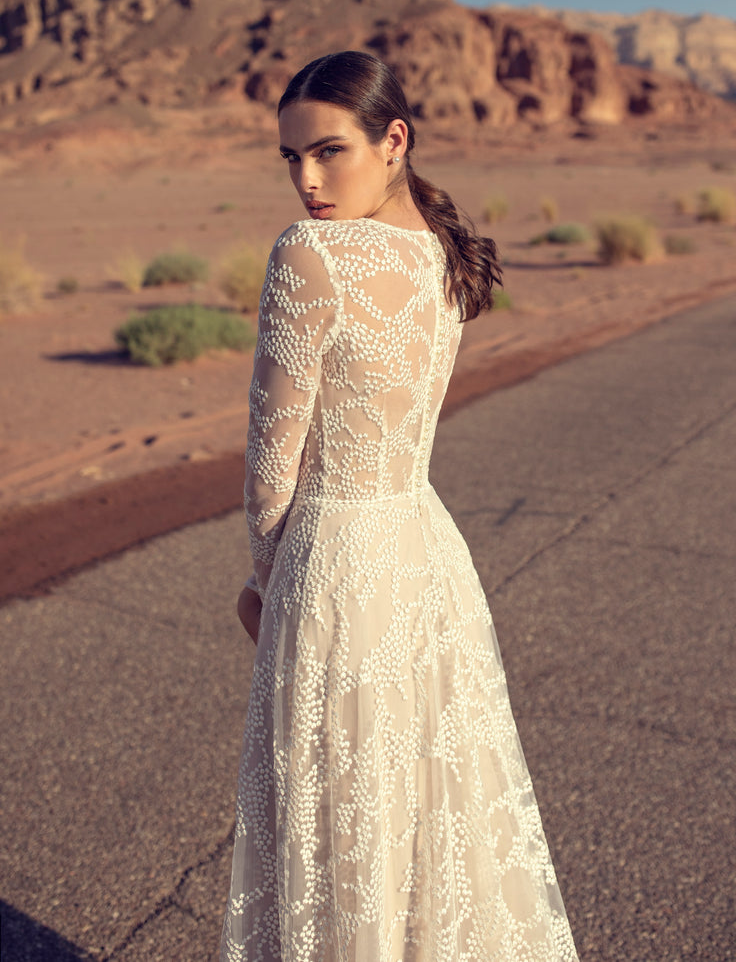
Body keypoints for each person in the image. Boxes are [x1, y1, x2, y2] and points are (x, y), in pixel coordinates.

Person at [220, 51, 579, 961]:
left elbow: (272, 464)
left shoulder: (310, 256)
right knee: (424, 824)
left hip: (334, 565)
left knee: (340, 832)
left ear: (394, 141)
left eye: (328, 151)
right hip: (423, 551)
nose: (306, 180)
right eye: (290, 158)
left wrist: (268, 588)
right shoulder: (444, 259)